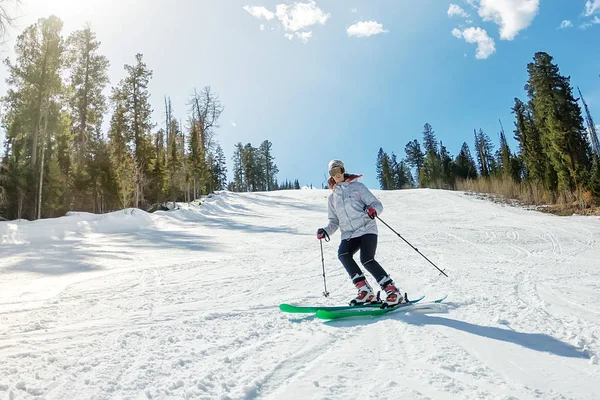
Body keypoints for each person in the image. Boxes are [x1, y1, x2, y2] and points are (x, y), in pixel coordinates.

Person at [316, 159, 403, 307]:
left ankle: (392, 291)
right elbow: (334, 221)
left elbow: (377, 204)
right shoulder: (332, 198)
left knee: (367, 259)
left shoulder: (357, 187)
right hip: (349, 234)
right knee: (343, 254)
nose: (336, 174)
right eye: (333, 172)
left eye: (339, 170)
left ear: (343, 171)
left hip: (366, 228)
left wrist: (373, 210)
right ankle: (365, 292)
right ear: (330, 175)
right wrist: (325, 231)